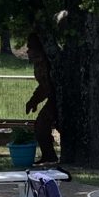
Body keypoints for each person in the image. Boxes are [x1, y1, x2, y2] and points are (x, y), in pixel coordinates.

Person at [25, 21, 60, 165]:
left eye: (30, 48)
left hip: (59, 98)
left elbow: (47, 87)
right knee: (41, 125)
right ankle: (49, 155)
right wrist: (33, 101)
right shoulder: (39, 64)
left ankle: (50, 155)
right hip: (54, 97)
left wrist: (34, 101)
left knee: (42, 125)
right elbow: (43, 86)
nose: (28, 52)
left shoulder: (48, 62)